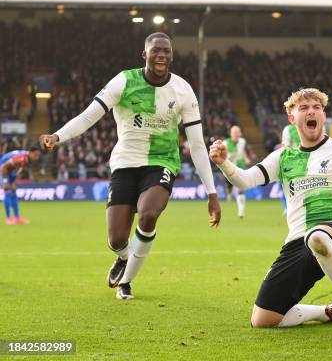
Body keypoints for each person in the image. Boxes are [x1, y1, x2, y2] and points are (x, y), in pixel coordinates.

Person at [40, 32, 221, 300]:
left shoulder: (183, 90)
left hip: (161, 162)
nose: (161, 55)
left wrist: (212, 193)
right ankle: (124, 258)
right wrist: (58, 136)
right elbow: (90, 115)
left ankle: (127, 281)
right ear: (144, 54)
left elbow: (196, 144)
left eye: (166, 51)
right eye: (155, 50)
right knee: (116, 240)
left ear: (171, 56)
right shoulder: (124, 81)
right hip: (125, 162)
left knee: (148, 214)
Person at [210, 88, 332, 337]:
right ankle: (324, 312)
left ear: (323, 115)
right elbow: (246, 181)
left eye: (316, 107)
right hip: (297, 243)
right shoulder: (283, 157)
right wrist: (224, 163)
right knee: (264, 318)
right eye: (303, 108)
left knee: (317, 236)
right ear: (292, 118)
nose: (311, 111)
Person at [1, 146, 41, 224]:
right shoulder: (21, 158)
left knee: (13, 193)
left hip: (10, 171)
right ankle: (8, 218)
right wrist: (5, 182)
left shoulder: (26, 158)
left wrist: (14, 183)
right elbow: (4, 168)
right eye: (35, 155)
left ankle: (17, 218)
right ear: (30, 153)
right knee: (8, 192)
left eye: (38, 155)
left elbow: (19, 171)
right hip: (2, 170)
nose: (37, 157)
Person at [223, 125, 251, 218]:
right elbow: (223, 157)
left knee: (240, 188)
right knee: (229, 188)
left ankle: (241, 211)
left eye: (238, 132)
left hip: (240, 167)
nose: (236, 134)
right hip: (229, 168)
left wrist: (246, 158)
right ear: (231, 133)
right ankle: (229, 193)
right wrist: (231, 156)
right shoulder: (225, 143)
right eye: (234, 132)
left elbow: (242, 151)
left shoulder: (242, 141)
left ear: (240, 133)